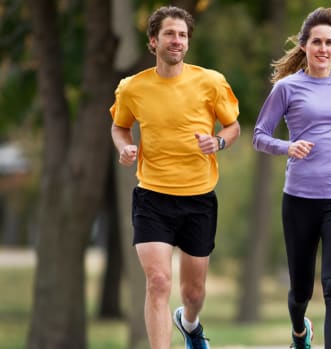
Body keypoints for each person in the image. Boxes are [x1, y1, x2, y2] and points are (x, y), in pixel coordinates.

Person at [109, 6, 240, 349]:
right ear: (153, 41)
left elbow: (233, 125)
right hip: (152, 197)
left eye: (182, 35)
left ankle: (190, 323)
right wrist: (124, 147)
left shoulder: (210, 82)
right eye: (170, 33)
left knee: (193, 293)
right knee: (158, 281)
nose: (177, 40)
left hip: (199, 198)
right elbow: (120, 125)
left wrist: (220, 141)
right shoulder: (132, 88)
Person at [253, 6, 331, 349]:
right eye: (316, 42)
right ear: (304, 46)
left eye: (329, 42)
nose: (323, 49)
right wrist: (287, 147)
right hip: (300, 200)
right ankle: (299, 332)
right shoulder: (287, 88)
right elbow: (259, 135)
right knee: (300, 291)